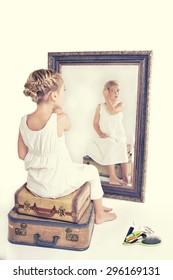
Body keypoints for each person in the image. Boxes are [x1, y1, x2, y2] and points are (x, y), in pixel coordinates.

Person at [17, 69, 116, 224]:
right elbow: (68, 127)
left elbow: (22, 155)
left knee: (76, 168)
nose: (64, 94)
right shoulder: (61, 119)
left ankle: (99, 207)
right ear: (54, 96)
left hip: (35, 185)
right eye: (63, 90)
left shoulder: (24, 121)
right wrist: (57, 110)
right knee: (92, 171)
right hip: (56, 185)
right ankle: (100, 214)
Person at [87, 80, 130, 185]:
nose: (116, 93)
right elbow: (95, 123)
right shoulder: (100, 106)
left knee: (121, 145)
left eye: (118, 91)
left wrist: (107, 97)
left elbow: (112, 111)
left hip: (118, 137)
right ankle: (113, 176)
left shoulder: (121, 105)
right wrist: (100, 133)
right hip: (105, 138)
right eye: (113, 91)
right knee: (111, 144)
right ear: (106, 92)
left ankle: (126, 177)